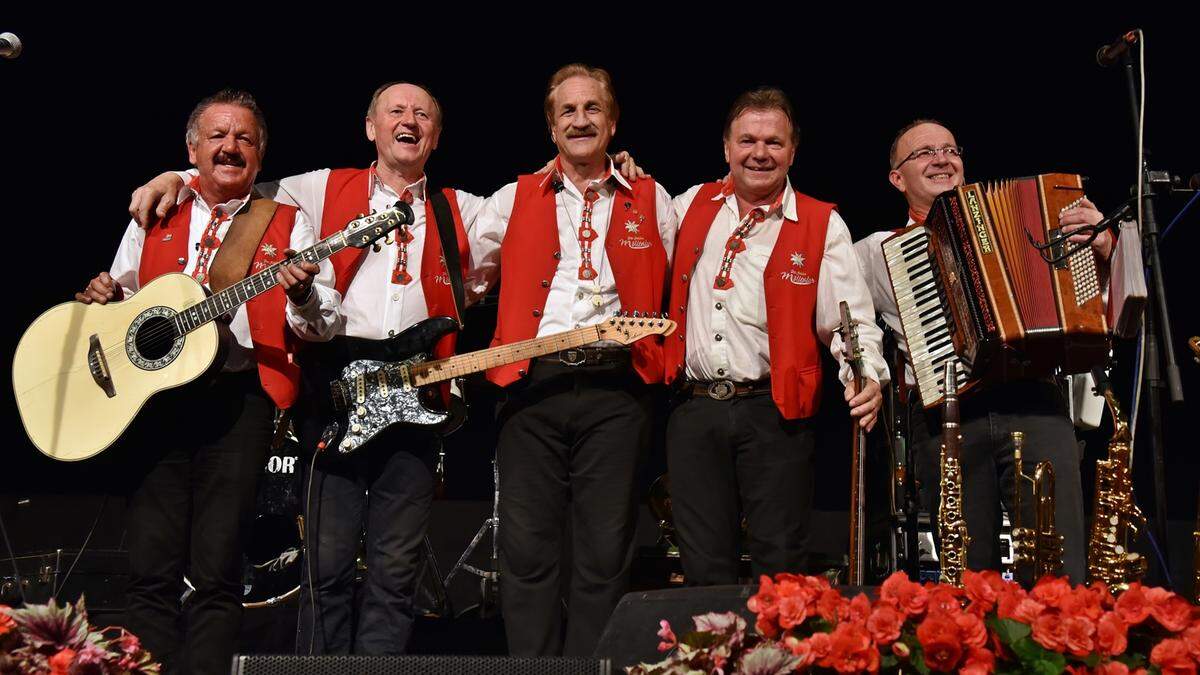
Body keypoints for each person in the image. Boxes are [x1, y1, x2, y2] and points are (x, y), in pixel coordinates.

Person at [77, 89, 319, 674]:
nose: (230, 147)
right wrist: (103, 300)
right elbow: (124, 303)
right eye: (217, 136)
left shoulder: (286, 220)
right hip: (155, 403)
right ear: (192, 149)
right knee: (151, 572)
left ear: (260, 157)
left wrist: (303, 292)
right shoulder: (157, 209)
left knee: (216, 572)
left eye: (245, 139)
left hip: (237, 404)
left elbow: (317, 325)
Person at [473, 63, 677, 657]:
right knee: (527, 553)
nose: (580, 120)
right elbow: (470, 279)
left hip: (618, 391)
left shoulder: (653, 197)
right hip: (531, 390)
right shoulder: (512, 198)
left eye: (593, 110)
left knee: (604, 553)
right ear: (551, 126)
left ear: (612, 123)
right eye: (568, 111)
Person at [853, 119, 1112, 583]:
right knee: (967, 577)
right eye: (925, 152)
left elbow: (1102, 305)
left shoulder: (1034, 216)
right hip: (947, 414)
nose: (942, 159)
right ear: (896, 178)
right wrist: (869, 374)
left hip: (1034, 399)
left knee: (1060, 564)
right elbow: (845, 322)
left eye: (951, 149)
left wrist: (1106, 247)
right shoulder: (875, 252)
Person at [663, 87, 886, 587]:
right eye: (747, 140)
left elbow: (850, 320)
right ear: (725, 147)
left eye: (773, 143)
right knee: (702, 567)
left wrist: (865, 372)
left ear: (793, 151)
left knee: (780, 564)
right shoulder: (686, 206)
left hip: (774, 412)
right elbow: (632, 222)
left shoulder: (821, 223)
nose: (759, 153)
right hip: (694, 409)